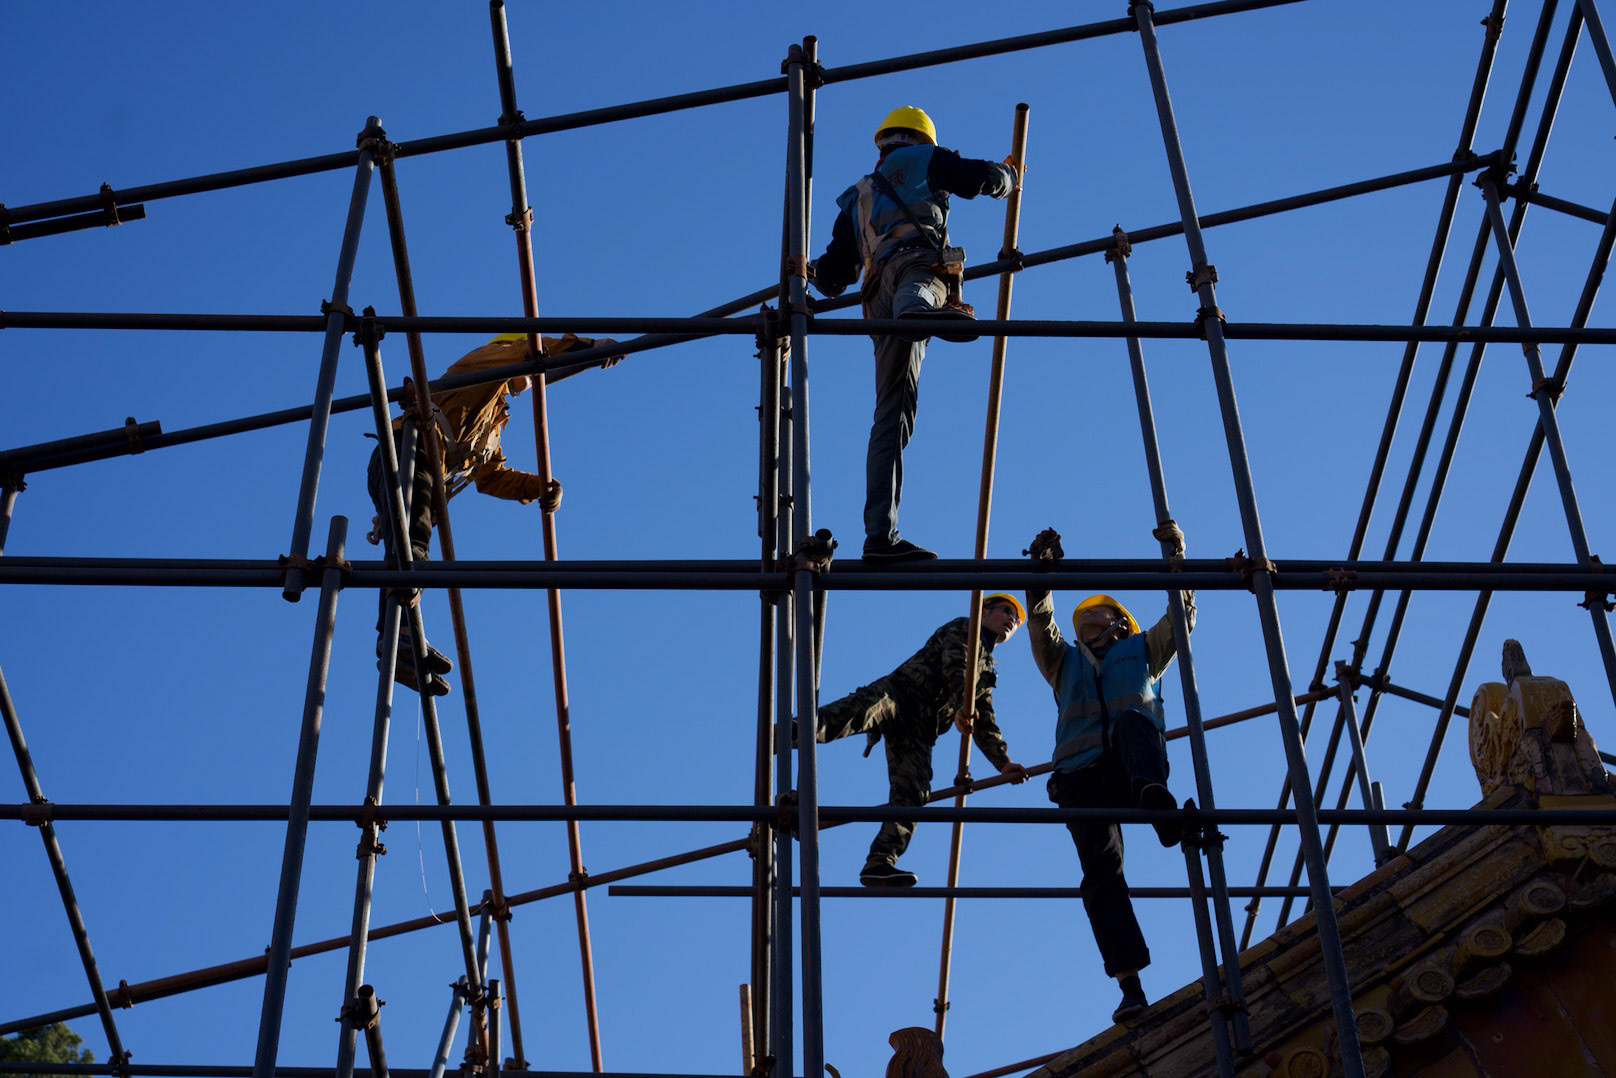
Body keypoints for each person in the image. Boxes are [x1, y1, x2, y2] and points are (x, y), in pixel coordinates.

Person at [810, 105, 1018, 563]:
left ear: (883, 143)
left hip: (874, 301)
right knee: (921, 294)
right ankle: (922, 313)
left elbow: (832, 277)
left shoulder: (856, 195)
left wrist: (804, 279)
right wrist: (1009, 175)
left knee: (890, 420)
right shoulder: (927, 158)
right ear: (921, 140)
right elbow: (976, 178)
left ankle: (879, 537)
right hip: (914, 272)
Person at [368, 332, 621, 694]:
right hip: (406, 454)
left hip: (421, 466)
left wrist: (540, 486)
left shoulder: (493, 421)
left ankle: (399, 638)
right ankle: (399, 638)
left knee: (408, 548)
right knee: (413, 546)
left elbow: (491, 477)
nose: (534, 380)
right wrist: (586, 349)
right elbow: (530, 352)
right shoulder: (484, 362)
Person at [1023, 525, 1193, 1024]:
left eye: (1102, 616)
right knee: (1101, 875)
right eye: (1085, 620)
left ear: (1120, 622)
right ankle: (1130, 983)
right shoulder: (1063, 662)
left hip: (1130, 765)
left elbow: (1181, 616)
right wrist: (1041, 575)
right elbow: (1040, 625)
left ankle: (1155, 802)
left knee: (1135, 720)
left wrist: (1176, 558)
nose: (1093, 622)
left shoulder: (1145, 649)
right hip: (1079, 777)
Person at [815, 594, 1030, 886]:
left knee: (914, 795)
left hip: (919, 728)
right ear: (984, 611)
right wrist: (961, 706)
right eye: (1007, 611)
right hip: (900, 695)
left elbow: (984, 718)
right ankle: (795, 731)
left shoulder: (987, 668)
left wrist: (1002, 762)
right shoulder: (963, 628)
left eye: (1017, 621)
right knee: (859, 711)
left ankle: (880, 862)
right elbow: (956, 668)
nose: (1012, 620)